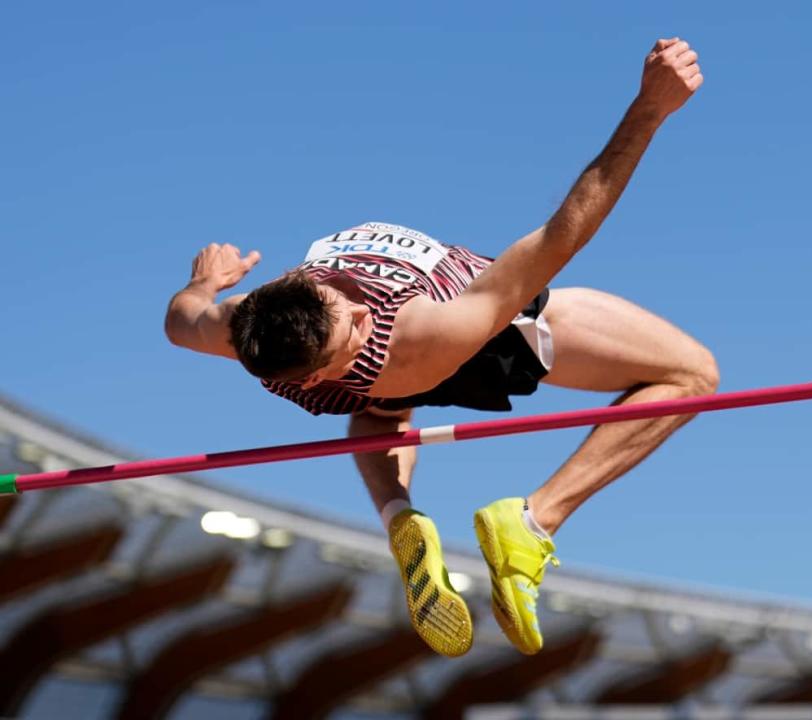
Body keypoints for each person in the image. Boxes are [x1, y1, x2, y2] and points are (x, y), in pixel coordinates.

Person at [164, 37, 717, 658]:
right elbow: (565, 232)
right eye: (352, 330)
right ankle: (531, 522)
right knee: (691, 373)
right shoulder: (418, 330)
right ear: (317, 374)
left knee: (377, 412)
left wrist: (206, 283)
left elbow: (180, 320)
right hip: (475, 340)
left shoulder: (239, 328)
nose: (358, 310)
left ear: (294, 285)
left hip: (379, 378)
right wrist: (649, 110)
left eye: (339, 304)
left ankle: (400, 517)